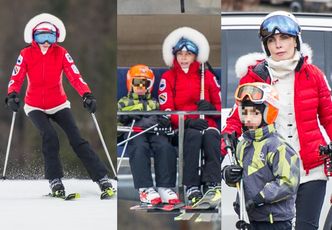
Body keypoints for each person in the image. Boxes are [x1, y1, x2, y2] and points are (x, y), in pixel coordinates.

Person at [221, 11, 332, 230]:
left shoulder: (314, 75)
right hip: (269, 175)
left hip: (310, 169)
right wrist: (224, 161)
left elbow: (329, 116)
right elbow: (234, 121)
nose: (278, 45)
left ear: (296, 40)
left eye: (284, 38)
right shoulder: (254, 77)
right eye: (271, 40)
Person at [5, 13, 114, 198]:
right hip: (35, 106)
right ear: (33, 37)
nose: (46, 41)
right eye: (41, 36)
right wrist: (12, 94)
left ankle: (102, 179)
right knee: (49, 136)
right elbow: (17, 77)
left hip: (59, 103)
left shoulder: (61, 53)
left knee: (77, 139)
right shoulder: (26, 54)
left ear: (57, 37)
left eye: (50, 36)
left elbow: (74, 76)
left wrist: (86, 94)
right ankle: (55, 180)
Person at [223, 82, 300, 230]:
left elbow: (289, 182)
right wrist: (228, 174)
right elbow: (242, 178)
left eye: (255, 113)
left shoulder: (278, 146)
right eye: (245, 113)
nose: (248, 118)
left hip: (275, 221)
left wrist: (260, 198)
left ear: (268, 113)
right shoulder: (243, 145)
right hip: (251, 218)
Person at [159, 27, 222, 205]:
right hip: (183, 125)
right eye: (180, 53)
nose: (184, 57)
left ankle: (212, 183)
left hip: (206, 122)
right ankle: (191, 186)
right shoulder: (168, 77)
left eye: (188, 53)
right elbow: (166, 108)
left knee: (211, 136)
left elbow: (219, 106)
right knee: (193, 137)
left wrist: (210, 107)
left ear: (196, 56)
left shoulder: (207, 77)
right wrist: (186, 122)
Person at [117, 64, 180, 205]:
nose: (140, 86)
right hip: (135, 132)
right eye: (136, 82)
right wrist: (125, 118)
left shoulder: (154, 103)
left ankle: (165, 187)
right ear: (130, 83)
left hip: (153, 131)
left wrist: (164, 120)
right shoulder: (123, 102)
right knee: (139, 148)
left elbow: (162, 116)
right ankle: (145, 188)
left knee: (165, 147)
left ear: (149, 85)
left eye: (144, 83)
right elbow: (117, 125)